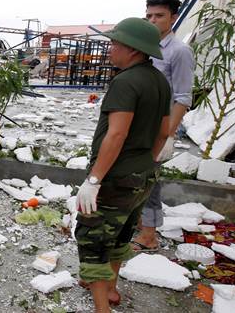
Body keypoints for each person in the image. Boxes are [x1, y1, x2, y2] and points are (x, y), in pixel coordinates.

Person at [74, 17, 171, 313]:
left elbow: (116, 133)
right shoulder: (158, 80)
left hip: (116, 179)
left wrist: (94, 180)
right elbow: (164, 132)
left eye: (114, 44)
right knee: (120, 235)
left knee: (93, 242)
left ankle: (102, 308)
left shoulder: (125, 82)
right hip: (144, 175)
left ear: (132, 49)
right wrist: (144, 161)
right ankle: (111, 289)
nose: (110, 49)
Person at [133, 0, 195, 252]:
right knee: (135, 175)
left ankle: (149, 235)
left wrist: (168, 135)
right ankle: (139, 222)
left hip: (160, 127)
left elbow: (183, 97)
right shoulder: (146, 47)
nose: (152, 20)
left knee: (150, 180)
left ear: (173, 17)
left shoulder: (179, 51)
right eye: (148, 15)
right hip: (139, 124)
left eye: (159, 16)